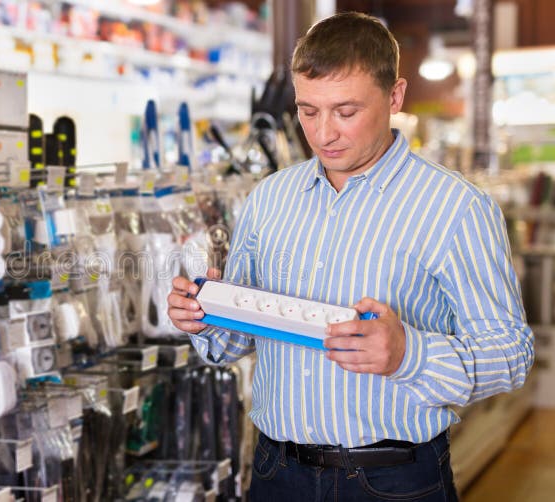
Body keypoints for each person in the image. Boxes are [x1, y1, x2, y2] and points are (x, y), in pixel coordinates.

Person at [167, 11, 533, 501]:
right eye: (308, 111)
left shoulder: (456, 207)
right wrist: (205, 316)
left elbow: (510, 353)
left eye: (345, 111)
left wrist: (408, 355)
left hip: (393, 481)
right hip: (276, 473)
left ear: (395, 97)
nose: (323, 134)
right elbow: (241, 338)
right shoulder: (270, 197)